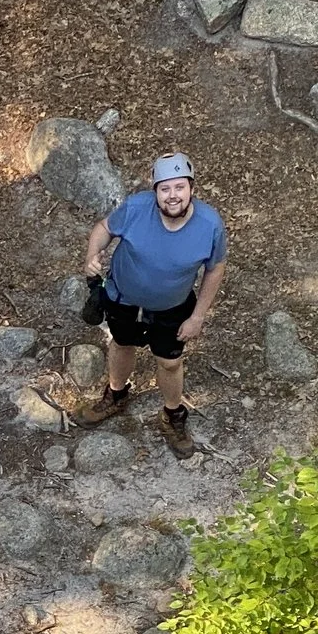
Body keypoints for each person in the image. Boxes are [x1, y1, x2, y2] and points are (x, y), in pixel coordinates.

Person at [74, 152, 228, 437]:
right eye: (165, 188)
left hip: (173, 305)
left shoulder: (210, 225)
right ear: (154, 191)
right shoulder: (135, 208)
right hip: (122, 296)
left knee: (170, 362)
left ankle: (172, 414)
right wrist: (92, 256)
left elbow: (215, 267)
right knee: (121, 343)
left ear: (192, 189)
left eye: (179, 187)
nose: (173, 196)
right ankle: (116, 395)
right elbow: (104, 228)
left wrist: (198, 316)